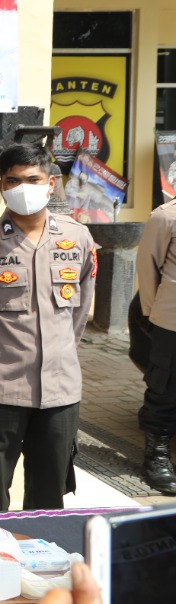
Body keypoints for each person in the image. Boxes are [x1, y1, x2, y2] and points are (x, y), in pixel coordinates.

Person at [0, 142, 96, 512]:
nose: (23, 188)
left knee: (49, 495)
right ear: (1, 186)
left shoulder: (79, 238)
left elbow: (79, 312)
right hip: (1, 389)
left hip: (60, 391)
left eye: (32, 179)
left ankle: (42, 550)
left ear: (51, 183)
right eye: (13, 180)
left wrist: (61, 353)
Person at [135, 194, 176, 494]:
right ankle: (156, 455)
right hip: (173, 320)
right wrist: (154, 313)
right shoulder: (166, 216)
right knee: (165, 389)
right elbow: (147, 267)